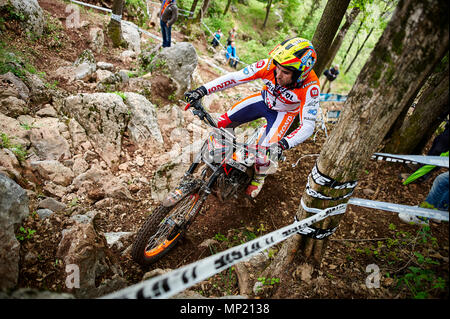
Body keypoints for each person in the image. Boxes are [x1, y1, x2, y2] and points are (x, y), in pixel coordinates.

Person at [184, 37, 320, 198]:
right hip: (262, 100)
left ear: (300, 74)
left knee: (265, 154)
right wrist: (202, 90)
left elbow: (308, 125)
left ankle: (258, 177)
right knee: (221, 124)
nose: (278, 75)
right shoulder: (269, 65)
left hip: (283, 113)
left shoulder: (311, 87)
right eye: (278, 68)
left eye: (285, 72)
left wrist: (283, 144)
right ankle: (218, 157)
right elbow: (235, 78)